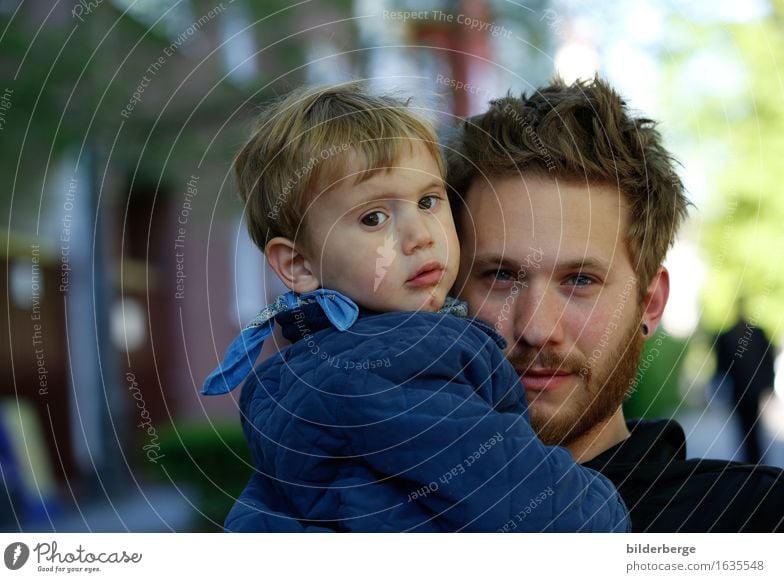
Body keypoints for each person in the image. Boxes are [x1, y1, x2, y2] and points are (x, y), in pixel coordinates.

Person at [204, 83, 629, 532]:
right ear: (299, 264)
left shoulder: (318, 362)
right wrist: (604, 513)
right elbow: (537, 508)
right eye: (374, 218)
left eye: (428, 201)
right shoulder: (390, 362)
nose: (420, 235)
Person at [446, 76, 784, 532]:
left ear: (650, 303)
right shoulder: (362, 509)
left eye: (580, 280)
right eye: (501, 276)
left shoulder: (753, 520)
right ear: (450, 290)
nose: (537, 328)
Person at [715, 298, 777, 464]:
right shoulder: (728, 336)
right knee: (744, 428)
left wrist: (768, 385)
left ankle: (754, 461)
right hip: (739, 391)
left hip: (752, 390)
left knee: (753, 428)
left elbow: (767, 361)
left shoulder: (756, 334)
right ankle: (751, 462)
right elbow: (722, 366)